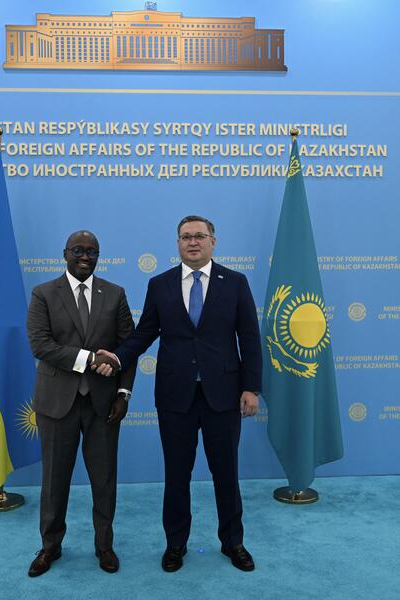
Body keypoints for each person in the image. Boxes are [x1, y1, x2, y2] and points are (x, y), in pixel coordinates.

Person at [96, 216, 262, 573]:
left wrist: (251, 388)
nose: (193, 242)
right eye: (186, 237)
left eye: (200, 236)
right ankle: (175, 544)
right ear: (178, 243)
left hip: (223, 395)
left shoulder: (235, 282)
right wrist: (117, 356)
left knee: (226, 473)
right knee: (176, 475)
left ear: (213, 241)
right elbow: (144, 333)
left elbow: (249, 338)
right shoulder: (160, 284)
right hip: (175, 397)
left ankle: (233, 542)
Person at [26, 230, 135, 577]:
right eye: (78, 250)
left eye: (92, 251)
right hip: (57, 404)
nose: (85, 257)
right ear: (65, 253)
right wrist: (89, 359)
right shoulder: (43, 293)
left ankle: (104, 546)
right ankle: (50, 547)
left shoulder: (115, 294)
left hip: (104, 405)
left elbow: (128, 349)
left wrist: (123, 393)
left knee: (104, 481)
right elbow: (41, 345)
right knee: (54, 481)